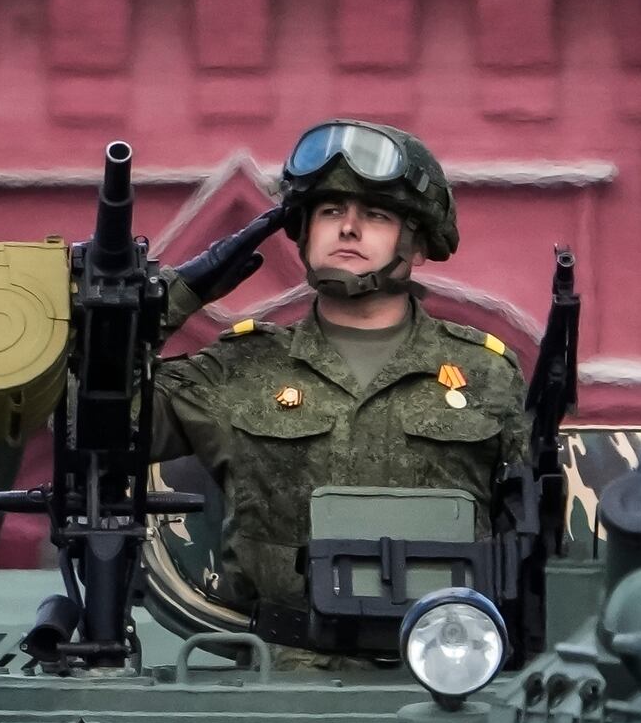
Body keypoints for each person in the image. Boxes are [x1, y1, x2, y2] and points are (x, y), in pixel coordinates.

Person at [155, 120, 520, 654]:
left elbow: (539, 533)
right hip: (279, 674)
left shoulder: (487, 374)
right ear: (302, 234)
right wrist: (174, 297)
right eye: (330, 213)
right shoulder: (241, 367)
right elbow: (92, 425)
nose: (348, 229)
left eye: (375, 215)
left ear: (416, 244)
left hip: (448, 670)